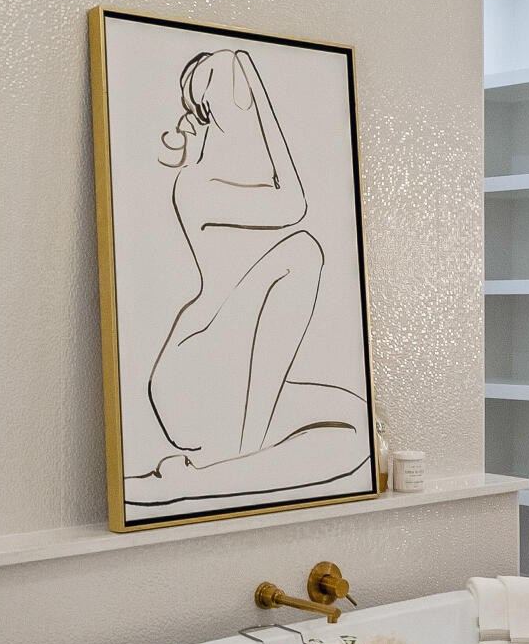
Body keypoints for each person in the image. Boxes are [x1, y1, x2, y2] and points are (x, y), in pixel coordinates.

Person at [127, 46, 370, 512]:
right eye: (237, 95)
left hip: (238, 374)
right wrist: (257, 88)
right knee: (303, 251)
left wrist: (258, 94)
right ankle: (242, 450)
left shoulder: (247, 179)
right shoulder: (193, 185)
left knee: (357, 427)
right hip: (193, 371)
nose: (247, 103)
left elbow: (290, 199)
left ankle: (193, 482)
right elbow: (295, 205)